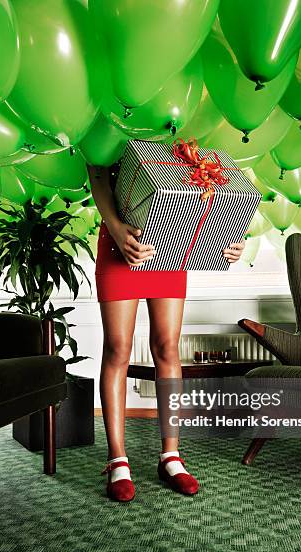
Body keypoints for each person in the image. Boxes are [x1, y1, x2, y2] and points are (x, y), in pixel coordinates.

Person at [88, 162, 245, 502]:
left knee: (168, 349)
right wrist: (115, 229)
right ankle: (117, 461)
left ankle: (170, 457)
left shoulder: (181, 121)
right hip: (121, 245)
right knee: (117, 349)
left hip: (170, 248)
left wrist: (232, 236)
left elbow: (206, 188)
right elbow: (98, 174)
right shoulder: (107, 116)